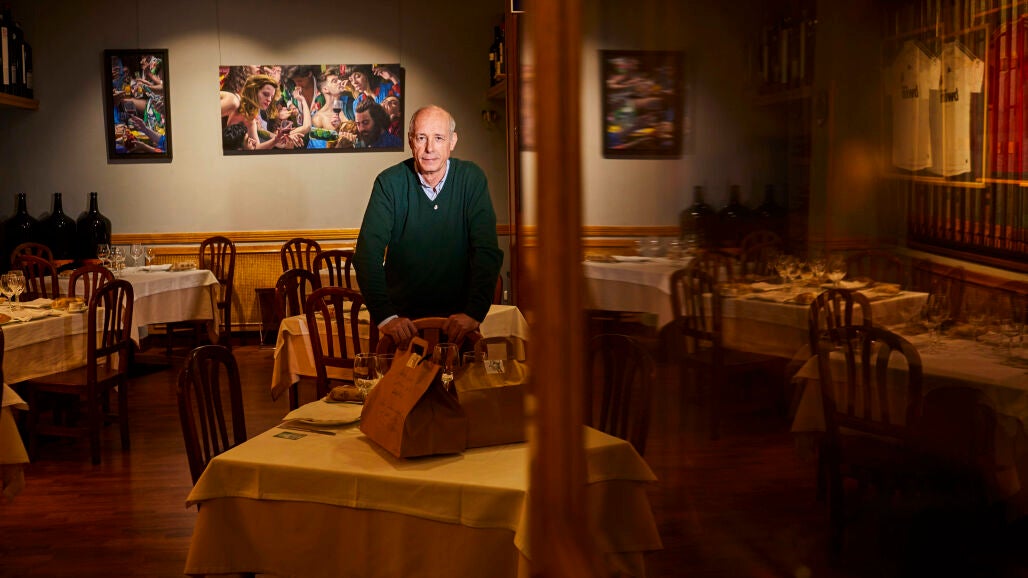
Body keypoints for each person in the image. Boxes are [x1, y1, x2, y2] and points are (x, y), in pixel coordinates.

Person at [354, 105, 503, 345]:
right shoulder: (389, 183)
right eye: (421, 138)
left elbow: (487, 251)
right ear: (411, 141)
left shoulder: (471, 179)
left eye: (439, 138)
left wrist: (474, 313)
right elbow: (366, 256)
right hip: (404, 330)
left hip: (458, 328)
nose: (430, 148)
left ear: (452, 141)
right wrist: (386, 317)